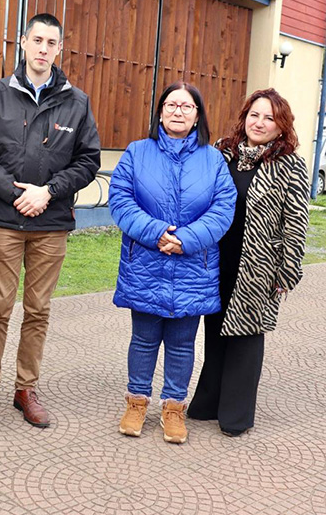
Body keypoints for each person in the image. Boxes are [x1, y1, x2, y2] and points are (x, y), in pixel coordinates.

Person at [0, 13, 101, 428]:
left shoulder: (76, 101)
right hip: (5, 220)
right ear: (23, 42)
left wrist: (49, 192)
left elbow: (89, 159)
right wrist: (13, 191)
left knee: (38, 309)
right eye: (37, 40)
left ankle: (26, 388)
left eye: (51, 43)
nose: (43, 49)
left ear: (60, 49)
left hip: (51, 221)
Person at [109, 81, 236, 444]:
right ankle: (136, 402)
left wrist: (186, 240)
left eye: (186, 107)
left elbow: (223, 209)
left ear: (197, 117)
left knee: (182, 342)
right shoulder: (137, 152)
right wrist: (156, 232)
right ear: (160, 112)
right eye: (171, 105)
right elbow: (120, 200)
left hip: (194, 265)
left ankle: (174, 408)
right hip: (146, 261)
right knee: (144, 338)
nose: (178, 111)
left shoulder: (213, 160)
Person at [188, 88, 309, 436]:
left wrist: (287, 271)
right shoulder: (222, 153)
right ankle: (208, 403)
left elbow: (296, 222)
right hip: (216, 260)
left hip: (259, 266)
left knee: (246, 337)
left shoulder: (290, 165)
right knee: (215, 332)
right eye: (255, 114)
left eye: (269, 117)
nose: (260, 122)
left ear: (281, 125)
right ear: (245, 117)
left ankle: (236, 416)